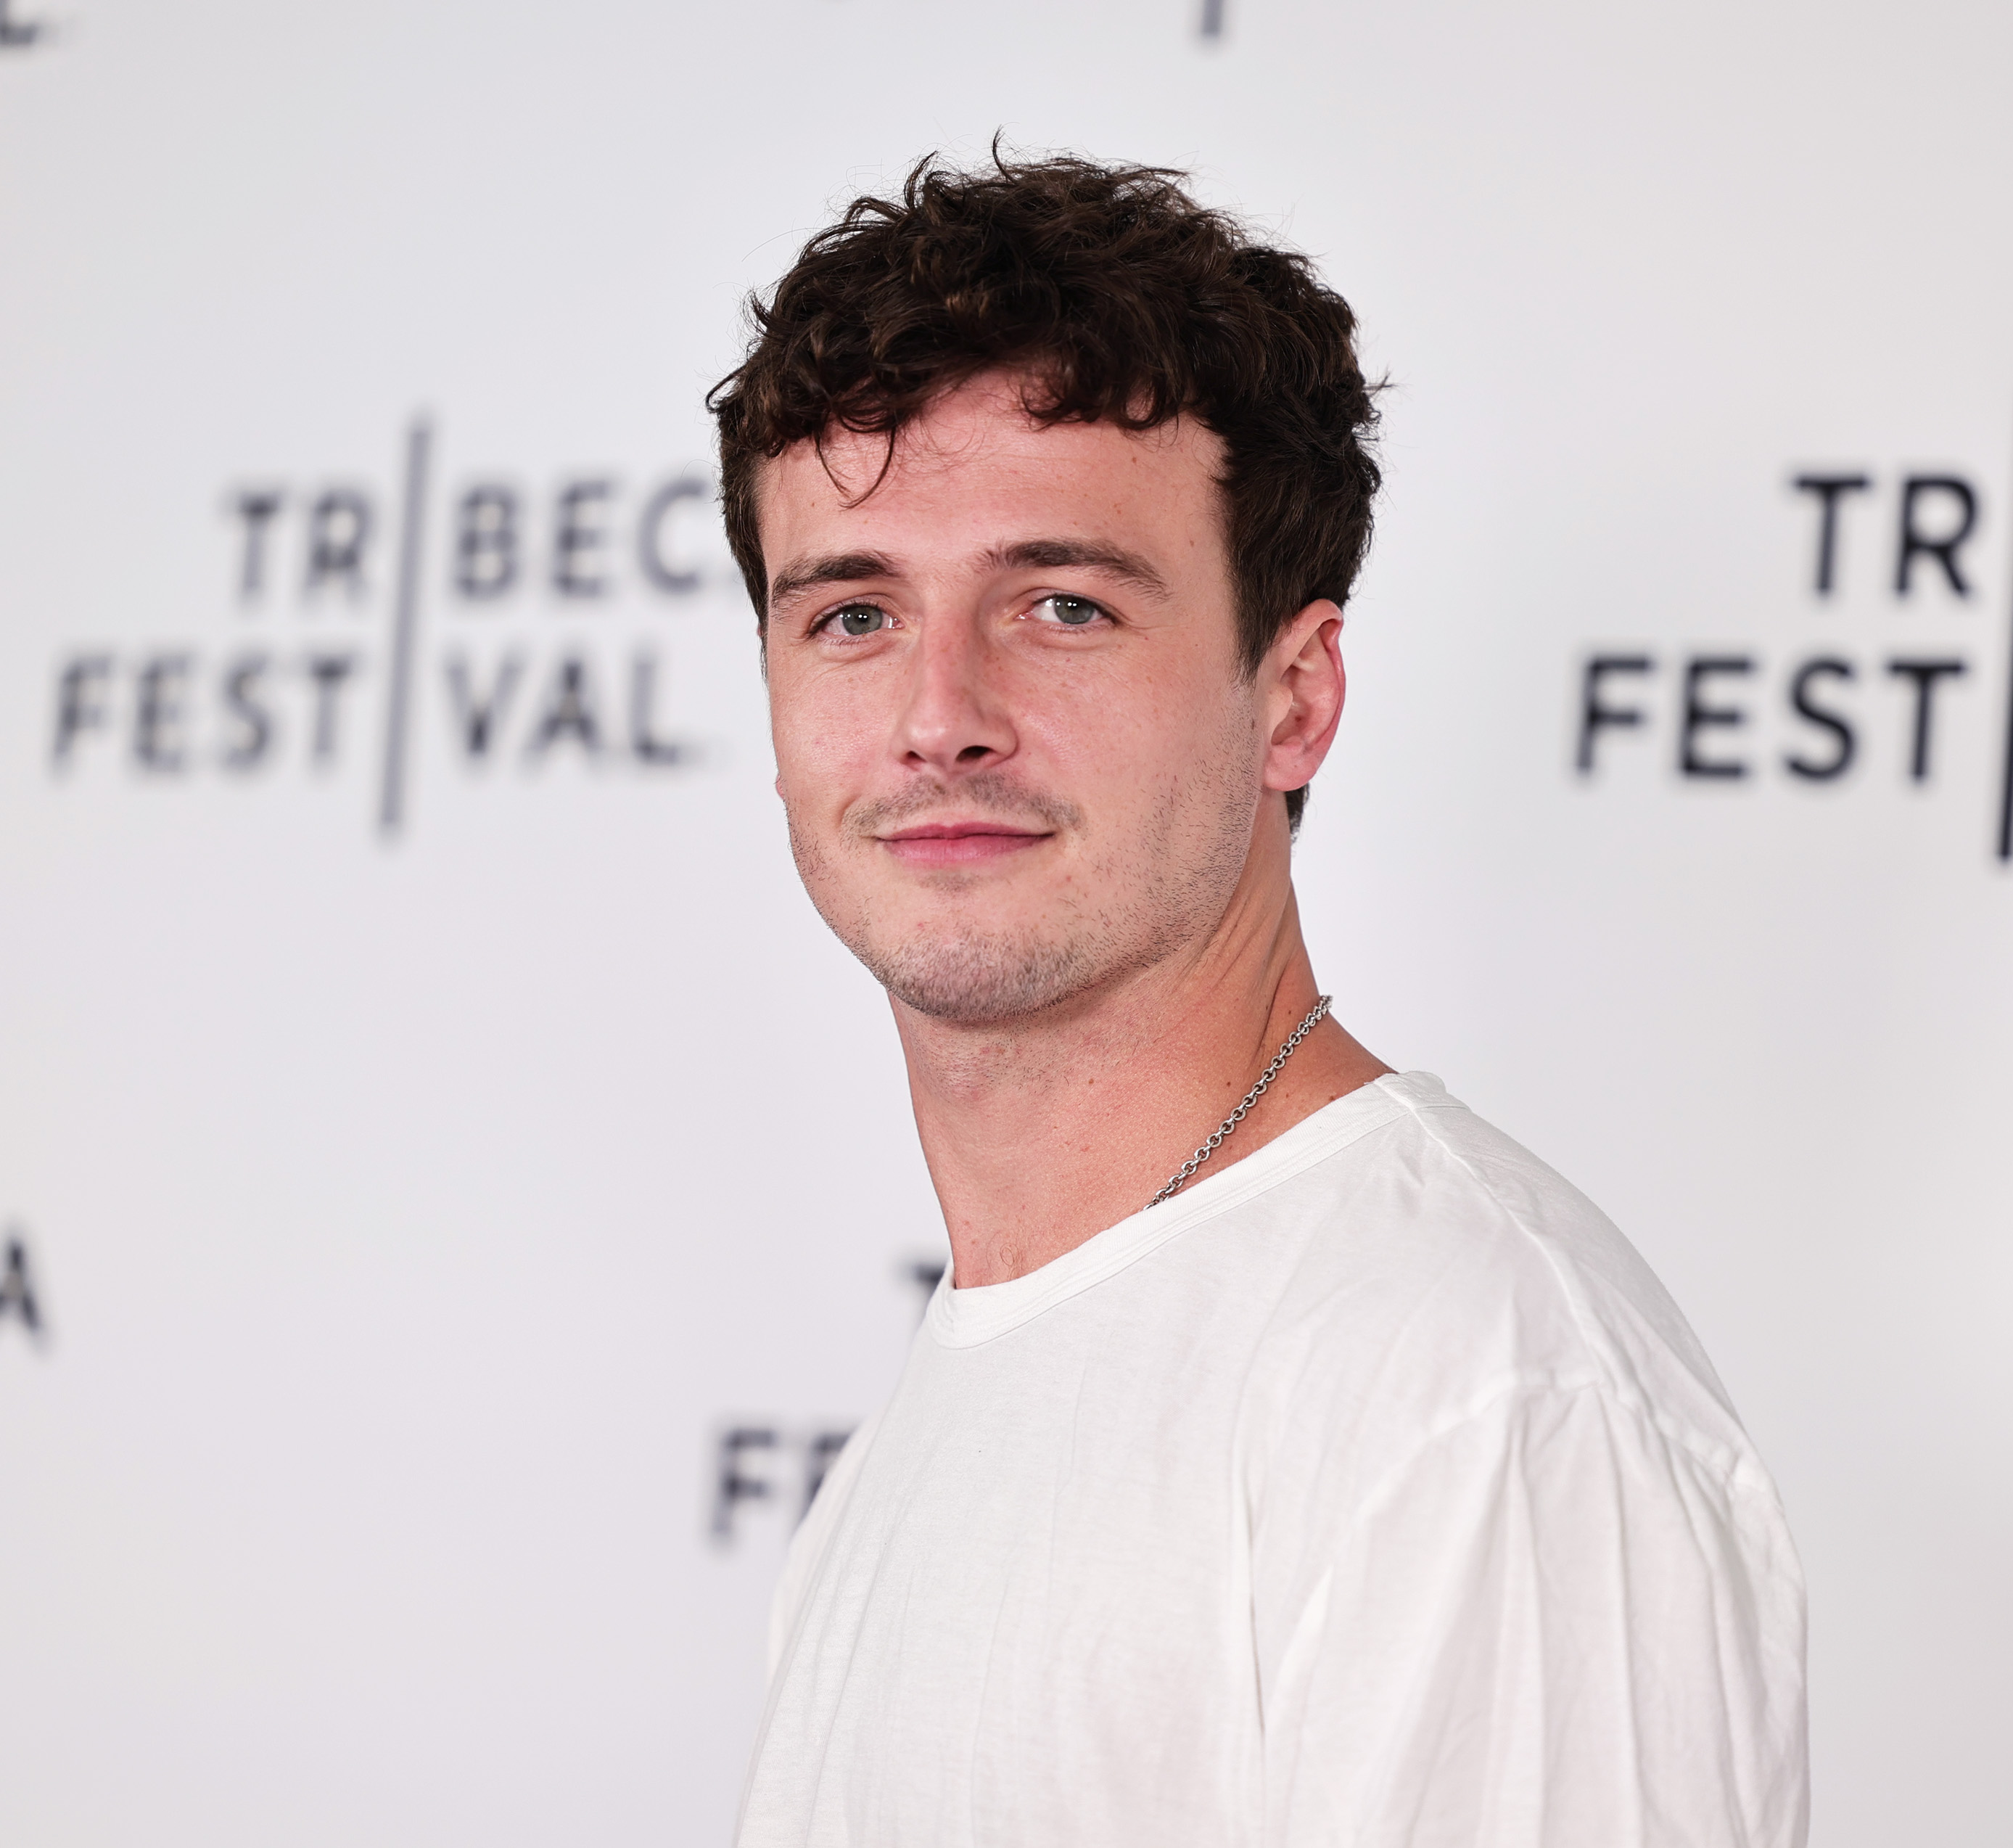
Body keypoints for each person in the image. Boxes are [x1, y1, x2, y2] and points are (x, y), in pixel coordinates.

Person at [713, 152, 1807, 1848]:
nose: (941, 714)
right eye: (853, 612)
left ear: (1293, 698)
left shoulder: (1466, 1390)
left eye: (1060, 603)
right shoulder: (943, 1406)